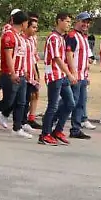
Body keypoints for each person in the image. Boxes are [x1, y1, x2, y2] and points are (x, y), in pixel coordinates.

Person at [40, 13, 76, 146]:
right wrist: (69, 73)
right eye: (66, 21)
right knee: (53, 105)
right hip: (54, 75)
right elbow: (57, 58)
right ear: (59, 21)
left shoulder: (61, 38)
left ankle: (58, 130)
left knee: (70, 102)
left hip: (61, 75)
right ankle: (45, 134)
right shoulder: (53, 38)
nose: (68, 24)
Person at [67, 12, 95, 139]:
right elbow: (69, 55)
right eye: (83, 21)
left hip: (82, 76)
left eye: (88, 22)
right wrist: (73, 73)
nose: (86, 24)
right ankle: (53, 120)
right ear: (77, 21)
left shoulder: (83, 37)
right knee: (71, 102)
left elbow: (85, 57)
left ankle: (75, 129)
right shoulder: (72, 36)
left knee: (80, 103)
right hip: (76, 76)